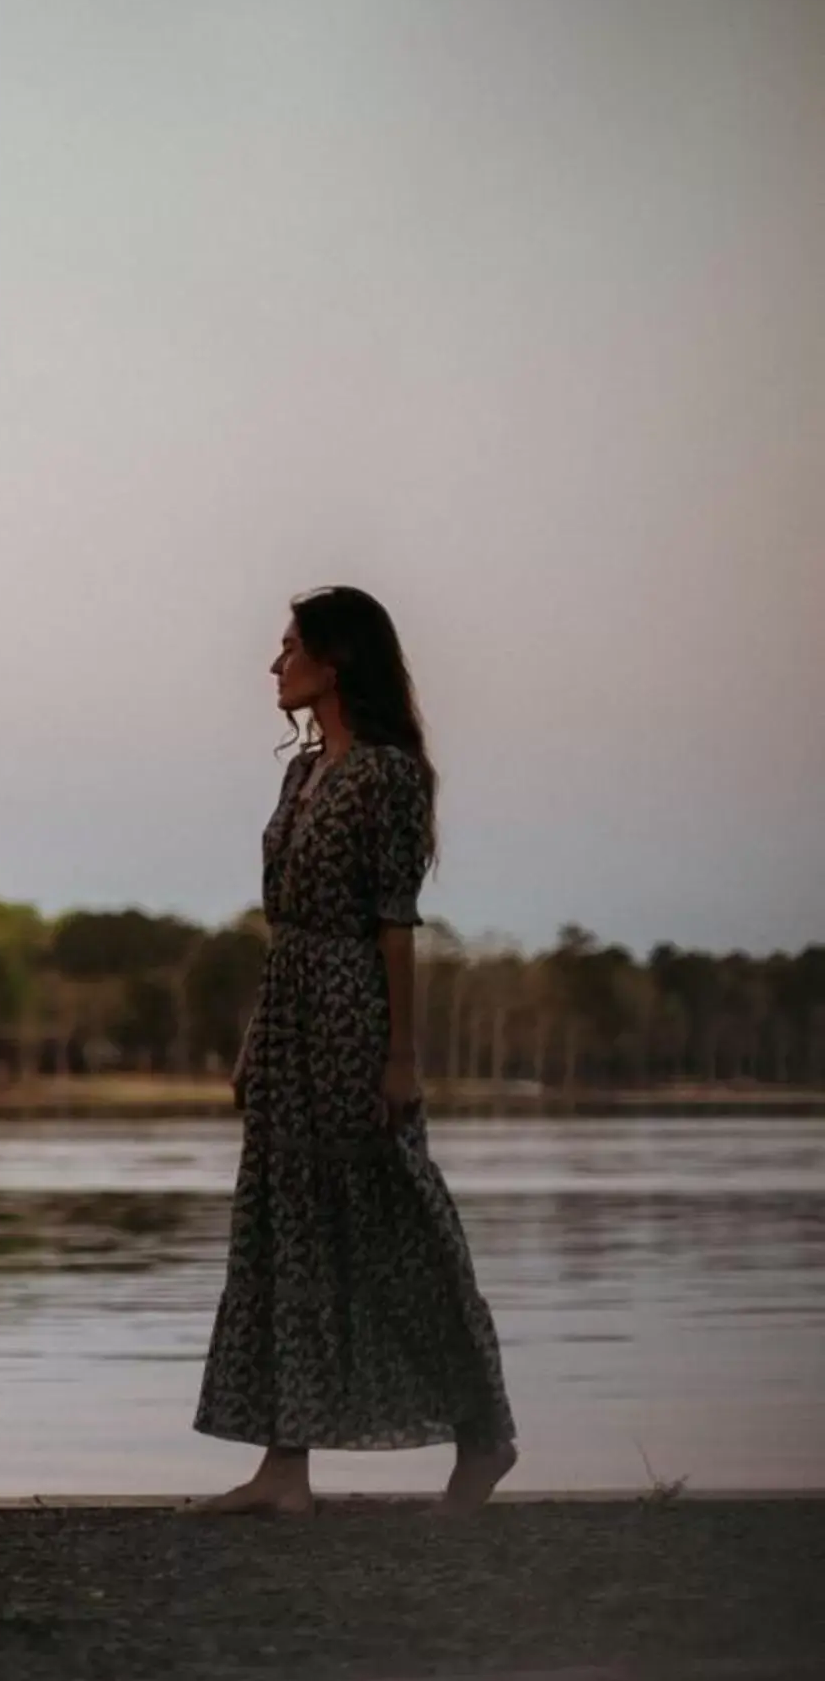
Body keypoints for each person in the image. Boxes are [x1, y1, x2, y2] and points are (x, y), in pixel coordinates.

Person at [196, 586, 518, 1514]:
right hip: (289, 1012)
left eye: (290, 646)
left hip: (352, 1016)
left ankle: (484, 1435)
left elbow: (394, 927)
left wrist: (401, 1058)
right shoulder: (300, 777)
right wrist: (257, 1039)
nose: (274, 663)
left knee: (395, 1228)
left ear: (334, 662)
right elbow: (283, 921)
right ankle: (284, 1469)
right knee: (279, 1230)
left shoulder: (389, 777)